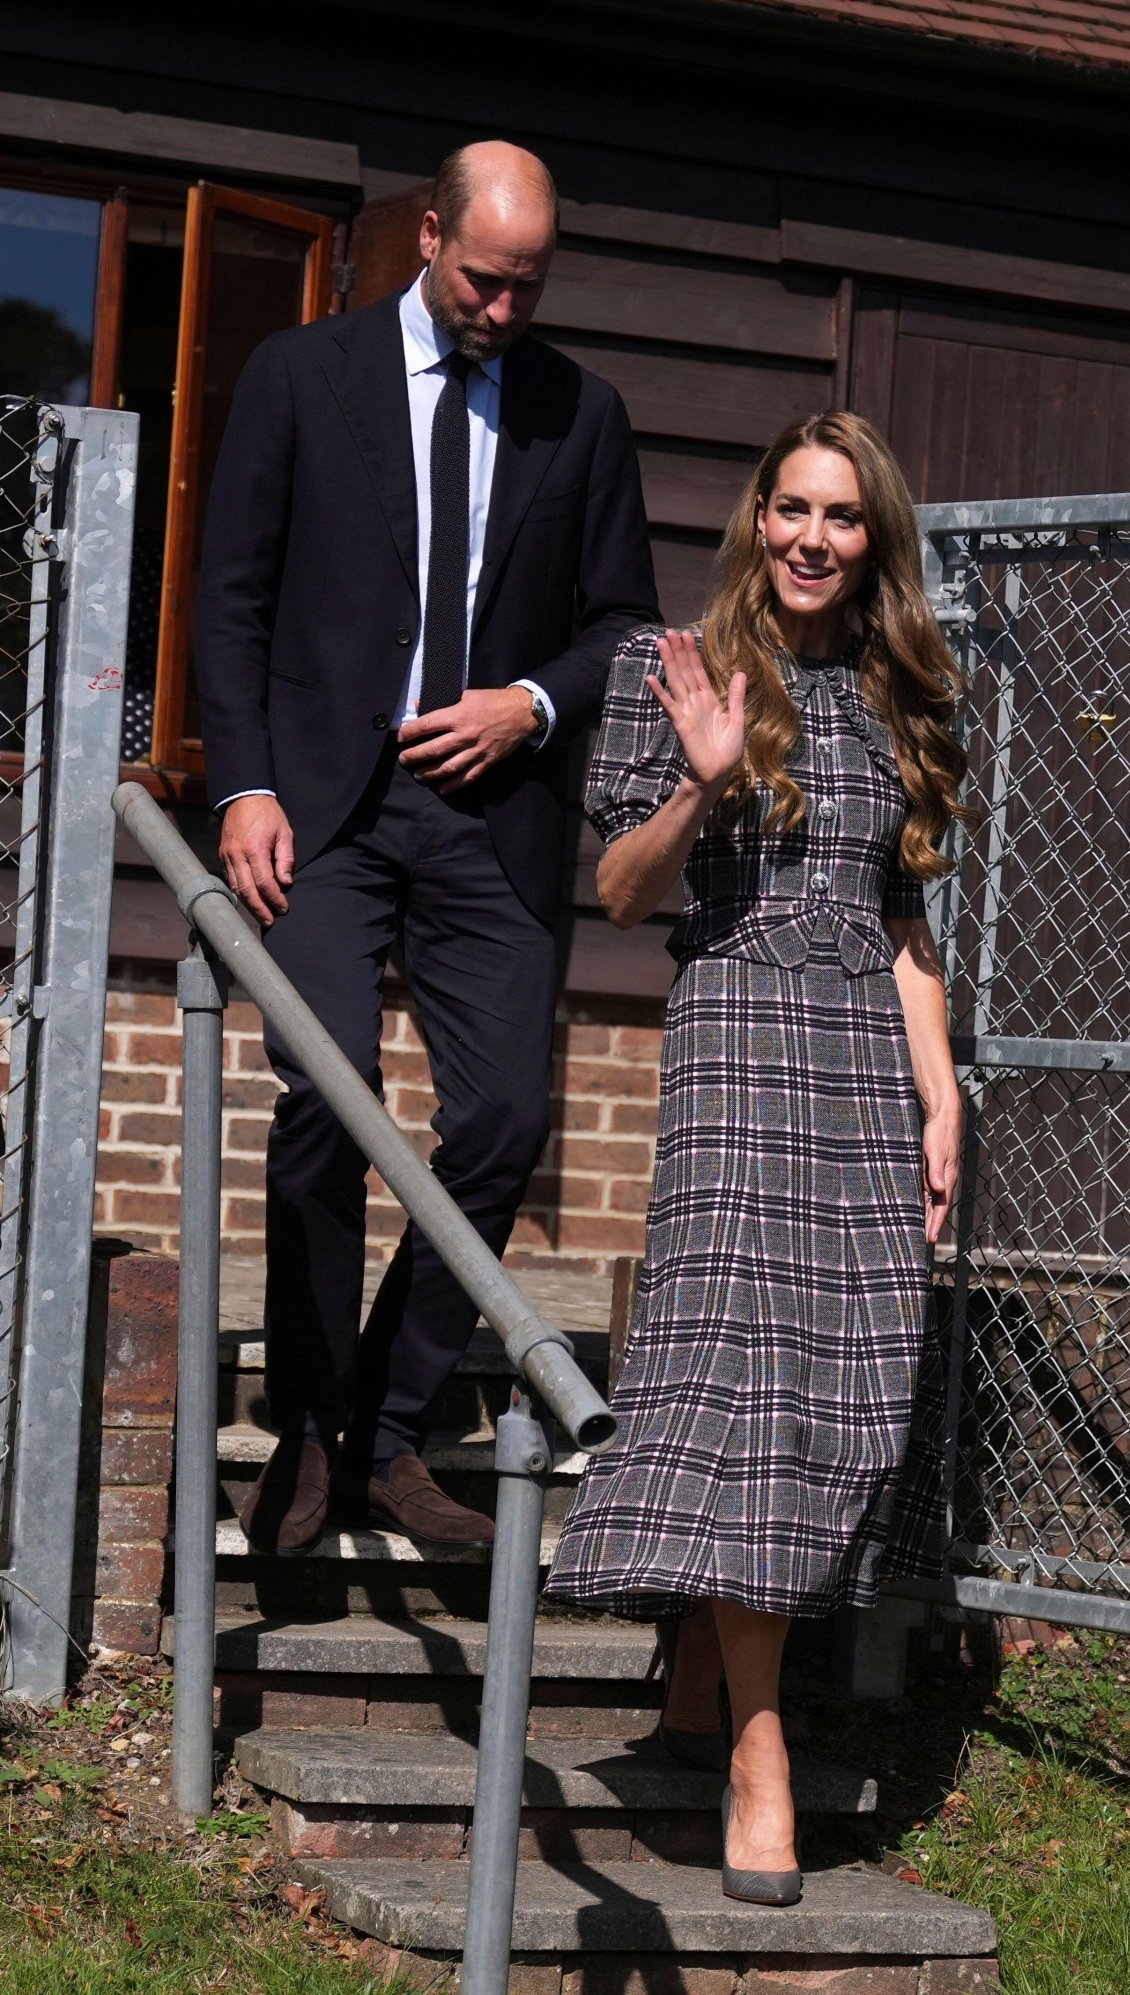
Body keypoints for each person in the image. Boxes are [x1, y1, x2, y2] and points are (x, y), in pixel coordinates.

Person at [194, 141, 658, 1556]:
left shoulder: (584, 415)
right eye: (482, 278)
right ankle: (313, 1430)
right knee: (327, 1098)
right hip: (323, 809)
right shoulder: (299, 377)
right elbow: (233, 601)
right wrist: (245, 789)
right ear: (430, 239)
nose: (504, 310)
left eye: (529, 287)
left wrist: (527, 706)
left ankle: (387, 1430)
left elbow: (619, 629)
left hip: (488, 821)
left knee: (508, 1118)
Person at [543, 411, 973, 1905]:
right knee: (745, 1373)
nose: (809, 538)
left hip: (864, 1065)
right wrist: (706, 781)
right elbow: (615, 891)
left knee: (851, 1378)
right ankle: (761, 1755)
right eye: (789, 509)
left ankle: (695, 1684)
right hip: (736, 1051)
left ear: (875, 540)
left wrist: (942, 1097)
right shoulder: (670, 670)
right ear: (755, 518)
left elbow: (904, 924)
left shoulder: (909, 697)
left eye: (841, 517)